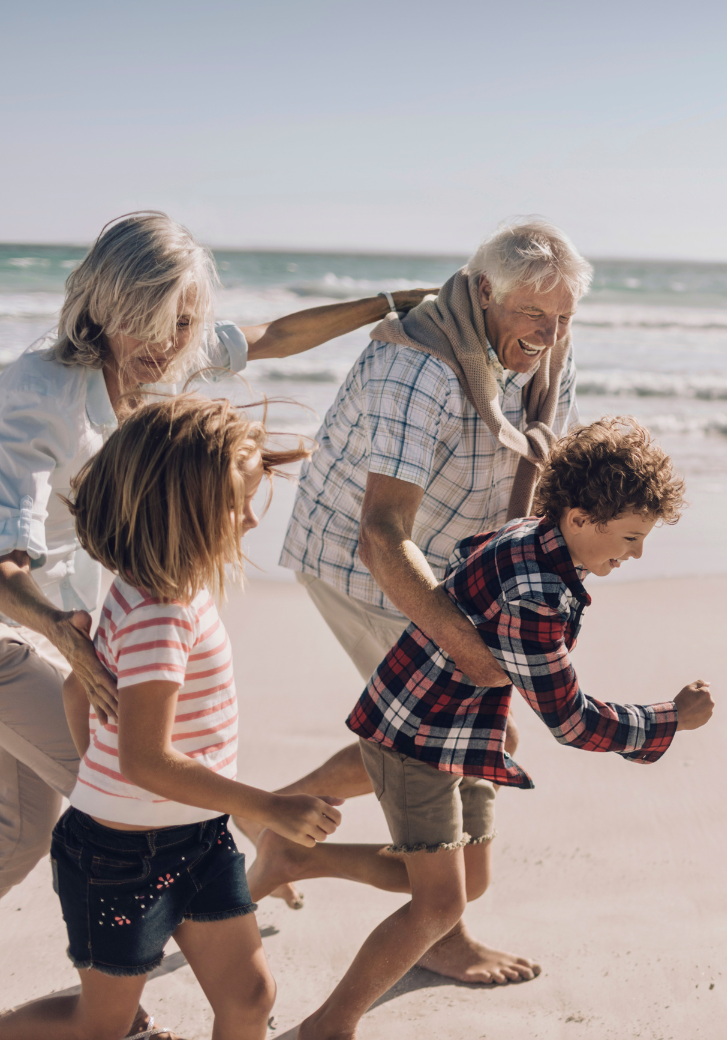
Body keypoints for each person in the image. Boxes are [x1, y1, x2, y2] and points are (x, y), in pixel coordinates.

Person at [0, 211, 430, 1039]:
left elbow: (268, 335)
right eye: (149, 323)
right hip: (26, 629)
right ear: (101, 304)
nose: (167, 347)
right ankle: (124, 1004)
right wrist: (64, 635)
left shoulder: (170, 353)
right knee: (123, 797)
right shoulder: (35, 394)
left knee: (19, 835)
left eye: (183, 324)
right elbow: (4, 562)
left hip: (94, 626)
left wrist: (384, 303)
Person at [292, 416, 715, 1040]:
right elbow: (571, 722)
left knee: (468, 881)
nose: (636, 554)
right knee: (439, 905)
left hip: (457, 725)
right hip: (420, 734)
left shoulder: (531, 535)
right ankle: (328, 1026)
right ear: (577, 519)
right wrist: (669, 719)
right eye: (629, 537)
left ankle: (294, 857)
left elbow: (469, 558)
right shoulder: (538, 597)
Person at [245, 219, 591, 982]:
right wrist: (466, 647)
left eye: (563, 315)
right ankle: (442, 928)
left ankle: (282, 821)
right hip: (365, 563)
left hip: (454, 559)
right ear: (481, 292)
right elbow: (381, 533)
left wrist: (517, 594)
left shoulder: (551, 345)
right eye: (533, 312)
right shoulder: (420, 366)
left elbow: (536, 463)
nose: (549, 331)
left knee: (455, 742)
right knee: (455, 740)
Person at [0, 395, 343, 1040]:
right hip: (120, 858)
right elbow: (145, 760)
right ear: (178, 509)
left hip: (196, 837)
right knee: (101, 1023)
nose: (248, 520)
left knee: (250, 996)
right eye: (235, 504)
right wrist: (268, 807)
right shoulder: (160, 613)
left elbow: (81, 692)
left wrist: (100, 780)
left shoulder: (158, 587)